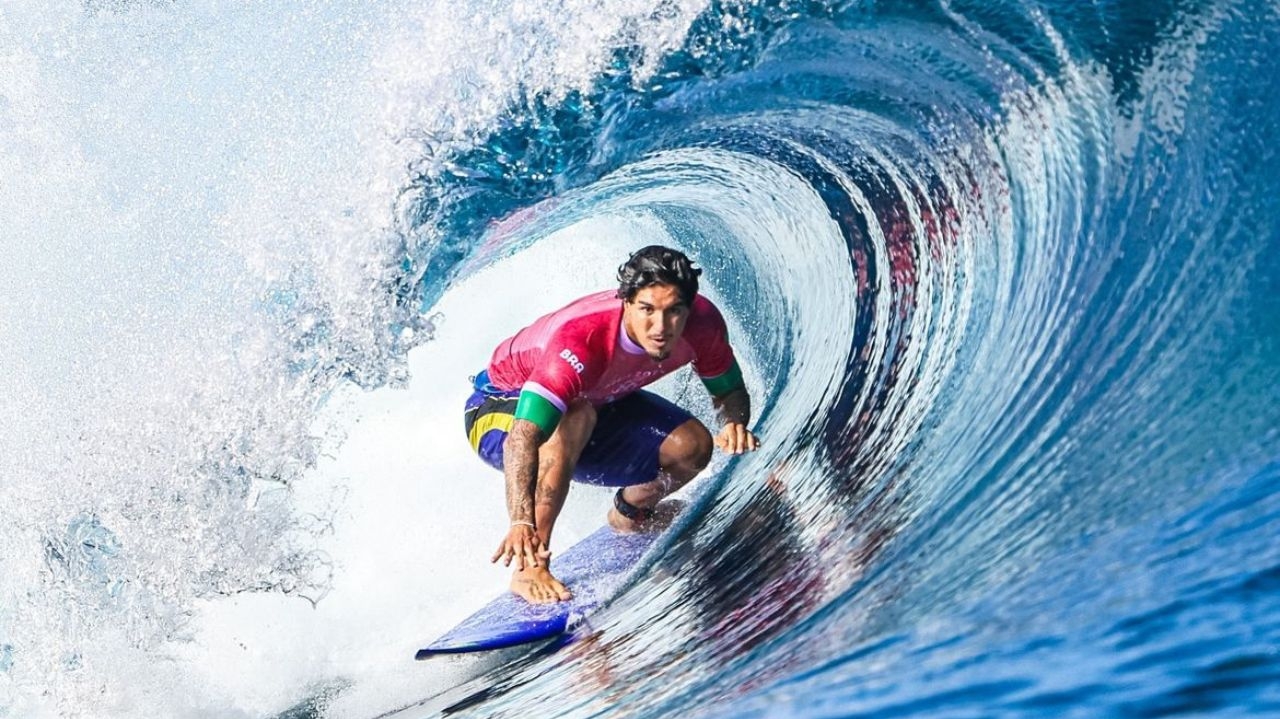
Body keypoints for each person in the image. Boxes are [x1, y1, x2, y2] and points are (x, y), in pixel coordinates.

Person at [463, 245, 761, 604]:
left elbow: (729, 391)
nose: (661, 327)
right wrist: (521, 522)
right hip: (498, 412)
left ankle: (631, 513)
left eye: (674, 312)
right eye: (647, 310)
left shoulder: (702, 324)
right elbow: (522, 438)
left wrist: (733, 424)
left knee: (693, 447)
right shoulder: (581, 340)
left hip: (597, 404)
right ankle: (529, 568)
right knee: (576, 414)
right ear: (626, 302)